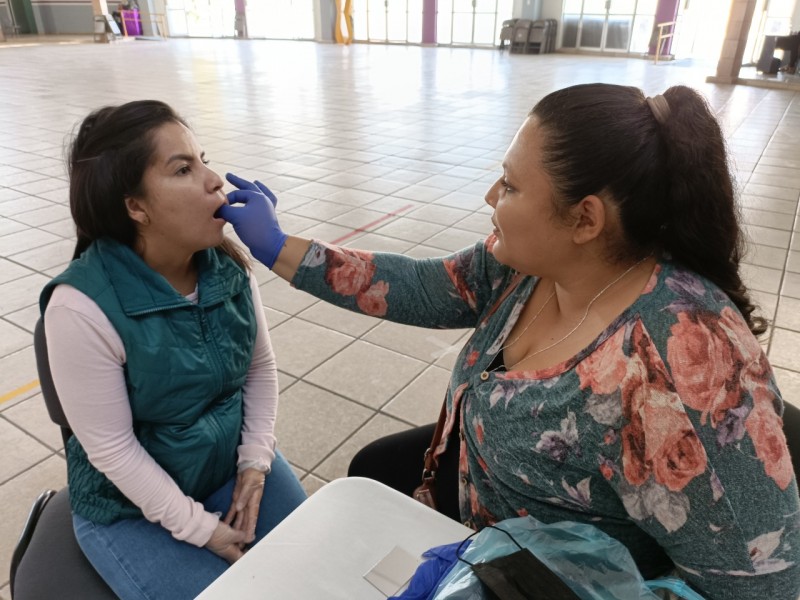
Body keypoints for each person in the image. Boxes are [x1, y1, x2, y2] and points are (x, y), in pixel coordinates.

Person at [218, 83, 800, 600]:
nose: (491, 196)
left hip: (557, 576)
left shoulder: (682, 375)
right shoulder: (528, 265)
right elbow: (423, 288)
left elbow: (762, 586)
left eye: (512, 185)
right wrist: (280, 247)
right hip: (488, 507)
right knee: (374, 467)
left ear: (585, 219)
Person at [40, 100, 307, 600]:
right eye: (183, 169)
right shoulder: (79, 308)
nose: (213, 181)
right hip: (129, 506)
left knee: (318, 562)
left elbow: (259, 371)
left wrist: (254, 462)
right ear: (135, 207)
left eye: (202, 159)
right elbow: (114, 452)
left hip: (223, 465)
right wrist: (202, 529)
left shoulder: (227, 267)